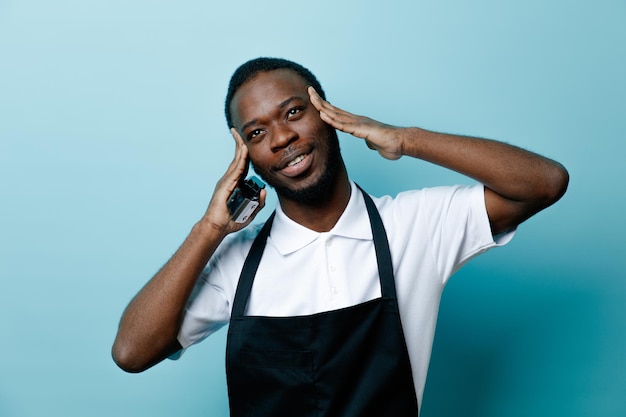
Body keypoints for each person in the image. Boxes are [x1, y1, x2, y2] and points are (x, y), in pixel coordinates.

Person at [112, 57, 568, 416]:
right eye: (257, 133)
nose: (281, 138)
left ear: (328, 116)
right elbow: (132, 352)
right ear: (246, 157)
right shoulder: (236, 264)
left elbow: (544, 182)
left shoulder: (413, 226)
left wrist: (404, 139)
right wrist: (209, 229)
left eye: (293, 112)